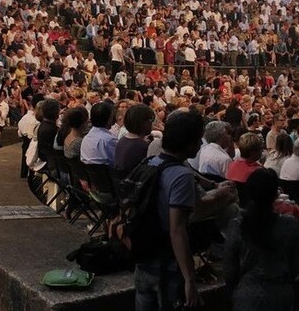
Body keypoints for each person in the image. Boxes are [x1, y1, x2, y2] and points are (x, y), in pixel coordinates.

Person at [134, 110, 205, 311]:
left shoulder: (149, 163)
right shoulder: (181, 176)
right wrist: (189, 279)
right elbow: (177, 230)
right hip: (167, 267)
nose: (200, 145)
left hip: (143, 259)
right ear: (188, 142)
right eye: (198, 140)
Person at [223, 167, 299, 310]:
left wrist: (234, 290)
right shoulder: (290, 225)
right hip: (280, 293)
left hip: (248, 294)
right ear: (275, 194)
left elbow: (229, 270)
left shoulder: (238, 225)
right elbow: (296, 265)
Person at [114, 104, 156, 178]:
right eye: (151, 120)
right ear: (144, 123)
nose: (152, 124)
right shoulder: (142, 147)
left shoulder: (123, 140)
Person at [80, 102, 119, 167]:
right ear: (109, 119)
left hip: (89, 175)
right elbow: (118, 163)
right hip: (108, 175)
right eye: (112, 116)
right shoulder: (109, 140)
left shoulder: (86, 137)